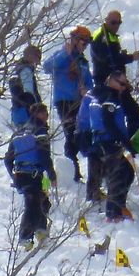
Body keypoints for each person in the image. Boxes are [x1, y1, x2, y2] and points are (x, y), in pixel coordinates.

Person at [43, 25, 94, 182]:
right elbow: (47, 67)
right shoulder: (62, 55)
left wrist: (87, 91)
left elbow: (90, 84)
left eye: (86, 44)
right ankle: (72, 169)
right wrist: (67, 52)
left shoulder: (83, 62)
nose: (84, 46)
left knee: (81, 134)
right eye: (82, 42)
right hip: (64, 101)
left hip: (79, 102)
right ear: (74, 40)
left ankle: (72, 166)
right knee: (70, 132)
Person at [4, 103, 57, 251]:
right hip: (34, 175)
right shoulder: (40, 131)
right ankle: (25, 237)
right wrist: (51, 174)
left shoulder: (18, 133)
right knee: (33, 205)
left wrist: (14, 176)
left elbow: (8, 159)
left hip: (21, 174)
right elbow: (44, 154)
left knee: (42, 202)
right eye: (45, 113)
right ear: (38, 114)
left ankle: (41, 230)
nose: (47, 117)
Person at [89, 71, 136, 222]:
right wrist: (124, 141)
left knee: (127, 172)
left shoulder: (101, 94)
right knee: (118, 176)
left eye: (125, 84)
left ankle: (119, 206)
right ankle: (113, 213)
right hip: (108, 142)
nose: (123, 87)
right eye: (121, 84)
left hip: (105, 141)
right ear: (111, 81)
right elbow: (108, 121)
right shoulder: (109, 97)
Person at [90, 10, 139, 86]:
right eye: (113, 22)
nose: (116, 25)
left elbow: (114, 55)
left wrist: (122, 54)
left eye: (119, 23)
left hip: (116, 82)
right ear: (106, 20)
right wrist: (131, 57)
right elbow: (109, 59)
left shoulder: (112, 35)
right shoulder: (101, 36)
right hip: (105, 83)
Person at [9, 45, 43, 129]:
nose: (37, 62)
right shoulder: (26, 71)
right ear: (31, 56)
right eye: (38, 57)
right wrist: (38, 109)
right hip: (28, 113)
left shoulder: (17, 70)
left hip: (18, 112)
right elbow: (29, 92)